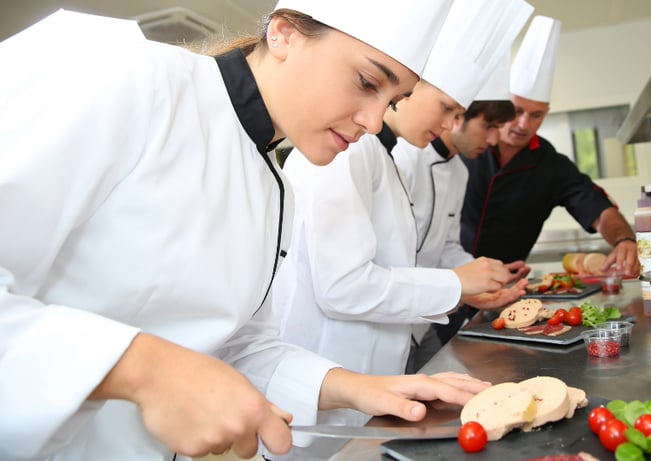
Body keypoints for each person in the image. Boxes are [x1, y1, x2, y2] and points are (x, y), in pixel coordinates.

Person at [0, 3, 498, 460]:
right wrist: (143, 370)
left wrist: (360, 387)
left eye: (395, 99)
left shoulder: (273, 184)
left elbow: (239, 346)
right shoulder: (118, 74)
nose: (373, 122)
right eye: (368, 82)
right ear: (283, 34)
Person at [271, 0, 533, 431]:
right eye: (447, 108)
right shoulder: (346, 151)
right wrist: (456, 284)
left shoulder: (377, 154)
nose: (451, 125)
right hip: (329, 375)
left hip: (375, 378)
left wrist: (466, 278)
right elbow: (343, 287)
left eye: (458, 114)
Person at [460, 16, 640, 279]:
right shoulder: (467, 146)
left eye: (536, 115)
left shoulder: (551, 165)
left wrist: (624, 240)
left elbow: (600, 210)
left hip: (505, 286)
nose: (523, 124)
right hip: (448, 279)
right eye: (517, 110)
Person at [393, 57, 533, 372]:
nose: (495, 140)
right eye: (489, 127)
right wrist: (461, 284)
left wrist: (485, 275)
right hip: (392, 318)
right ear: (458, 117)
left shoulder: (459, 171)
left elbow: (445, 247)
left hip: (420, 324)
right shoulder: (403, 157)